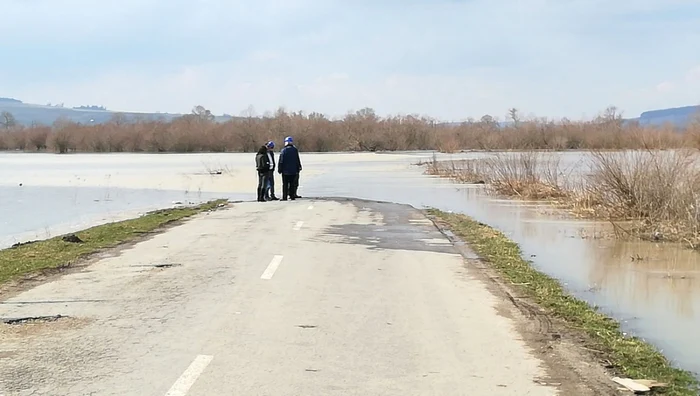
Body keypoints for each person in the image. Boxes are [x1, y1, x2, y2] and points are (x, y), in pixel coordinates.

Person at [277, 136, 302, 201]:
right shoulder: (295, 150)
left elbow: (281, 161)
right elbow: (297, 159)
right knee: (292, 184)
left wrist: (279, 169)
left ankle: (285, 197)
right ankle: (292, 196)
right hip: (293, 170)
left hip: (285, 171)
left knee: (285, 184)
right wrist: (298, 167)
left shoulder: (283, 150)